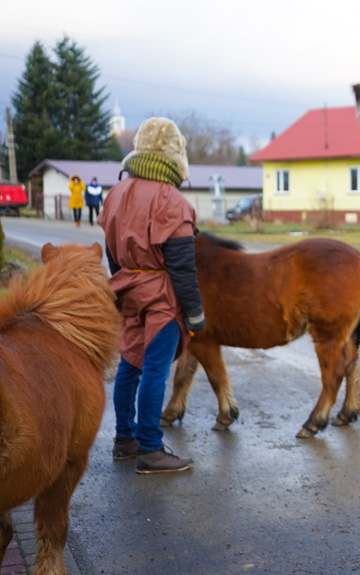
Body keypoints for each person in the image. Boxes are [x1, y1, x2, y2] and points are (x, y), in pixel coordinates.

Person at [99, 116, 206, 474]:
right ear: (175, 153)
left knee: (129, 365)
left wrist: (127, 281)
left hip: (128, 288)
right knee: (155, 372)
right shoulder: (171, 200)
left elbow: (112, 251)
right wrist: (194, 312)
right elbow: (181, 266)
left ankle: (123, 439)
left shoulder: (117, 192)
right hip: (162, 298)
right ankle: (149, 449)